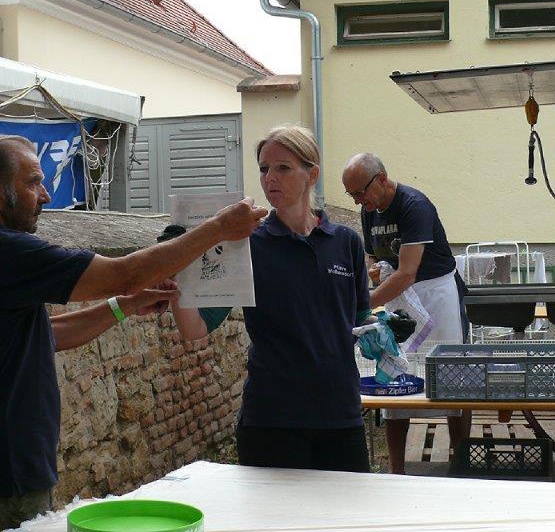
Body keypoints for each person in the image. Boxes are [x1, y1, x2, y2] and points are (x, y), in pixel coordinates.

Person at [0, 134, 266, 532]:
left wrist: (124, 306)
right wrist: (219, 228)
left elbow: (44, 335)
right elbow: (126, 274)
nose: (45, 195)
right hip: (0, 476)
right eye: (33, 182)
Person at [169, 125, 371, 473]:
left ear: (312, 175)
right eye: (264, 168)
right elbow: (195, 328)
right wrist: (176, 268)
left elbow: (361, 321)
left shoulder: (346, 242)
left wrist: (384, 329)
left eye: (283, 168)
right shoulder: (246, 245)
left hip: (341, 416)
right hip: (272, 421)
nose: (269, 178)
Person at [341, 152, 471, 475]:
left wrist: (364, 304)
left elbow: (407, 272)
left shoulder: (415, 206)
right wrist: (375, 270)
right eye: (351, 195)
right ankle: (396, 470)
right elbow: (374, 258)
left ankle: (460, 462)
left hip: (436, 294)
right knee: (394, 376)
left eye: (360, 192)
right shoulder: (369, 210)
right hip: (399, 297)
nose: (357, 201)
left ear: (382, 179)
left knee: (452, 380)